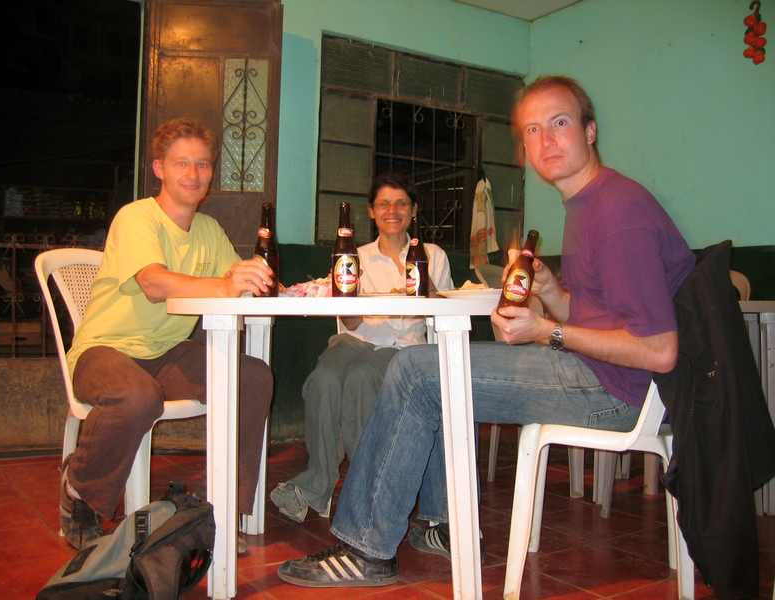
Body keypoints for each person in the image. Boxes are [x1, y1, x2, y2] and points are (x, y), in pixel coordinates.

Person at [276, 75, 697, 587]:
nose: (546, 140)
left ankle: (367, 548)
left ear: (590, 131)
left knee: (416, 372)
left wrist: (545, 331)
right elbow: (596, 315)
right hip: (599, 373)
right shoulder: (587, 203)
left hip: (615, 391)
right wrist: (551, 291)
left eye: (559, 123)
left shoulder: (618, 209)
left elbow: (658, 349)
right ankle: (443, 526)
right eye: (533, 130)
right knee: (428, 371)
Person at [60, 118, 274, 552]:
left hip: (166, 352)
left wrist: (266, 283)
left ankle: (219, 508)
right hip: (104, 350)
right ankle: (79, 491)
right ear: (159, 168)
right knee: (138, 396)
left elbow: (234, 284)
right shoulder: (137, 217)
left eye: (203, 164)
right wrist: (225, 285)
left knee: (253, 376)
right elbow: (153, 283)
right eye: (181, 163)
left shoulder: (209, 231)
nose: (194, 174)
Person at [270, 172, 454, 523]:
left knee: (361, 377)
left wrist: (424, 288)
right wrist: (343, 297)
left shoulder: (432, 255)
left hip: (404, 348)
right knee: (324, 378)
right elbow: (351, 323)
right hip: (357, 339)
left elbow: (445, 313)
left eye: (401, 204)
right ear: (371, 211)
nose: (392, 211)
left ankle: (367, 487)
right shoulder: (355, 256)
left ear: (414, 210)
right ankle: (316, 485)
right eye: (383, 204)